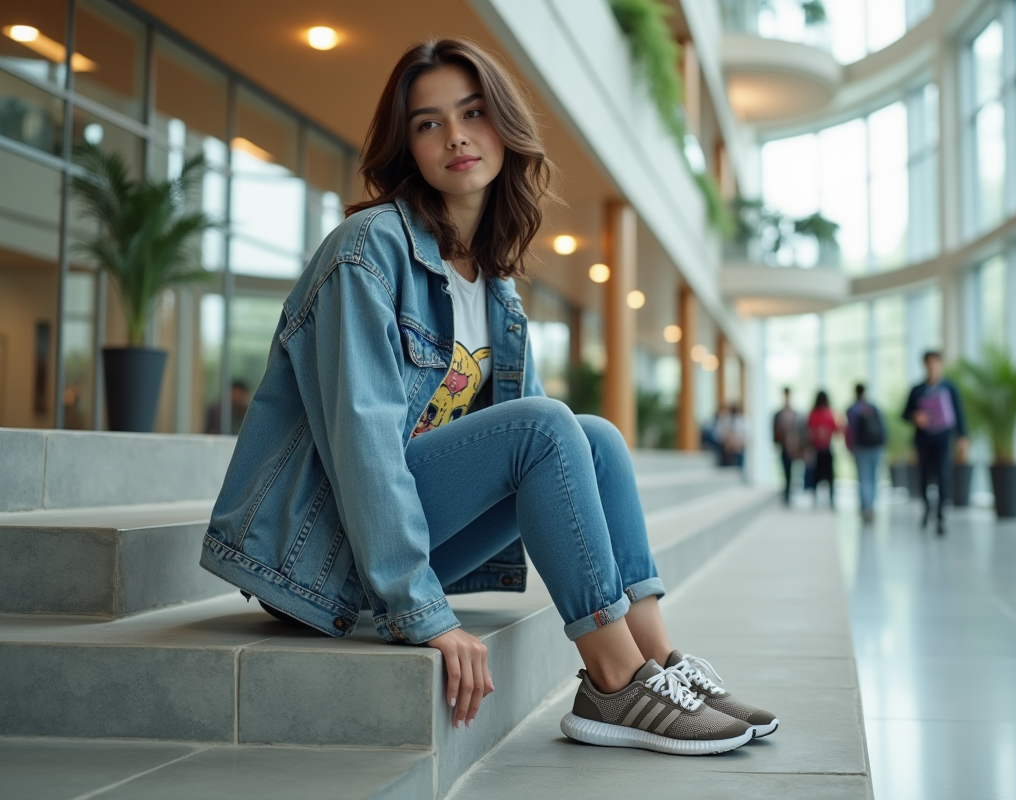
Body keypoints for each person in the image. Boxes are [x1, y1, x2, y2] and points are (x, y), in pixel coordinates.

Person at [199, 39, 774, 756]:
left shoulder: (495, 289)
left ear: (503, 124)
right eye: (429, 123)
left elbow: (555, 454)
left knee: (593, 436)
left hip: (402, 536)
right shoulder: (366, 252)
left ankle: (660, 661)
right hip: (325, 555)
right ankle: (615, 677)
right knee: (544, 426)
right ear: (407, 146)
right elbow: (363, 449)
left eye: (473, 113)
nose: (457, 136)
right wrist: (425, 612)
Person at [903, 351, 968, 535]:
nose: (932, 366)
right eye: (928, 363)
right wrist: (915, 416)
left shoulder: (949, 388)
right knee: (924, 477)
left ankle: (940, 517)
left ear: (940, 364)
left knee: (943, 477)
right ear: (924, 365)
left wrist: (962, 436)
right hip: (923, 440)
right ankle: (926, 509)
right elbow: (905, 413)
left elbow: (958, 413)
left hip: (943, 440)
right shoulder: (917, 390)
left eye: (935, 362)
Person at [845, 383, 886, 523]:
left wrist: (849, 446)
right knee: (873, 478)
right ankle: (871, 507)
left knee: (863, 478)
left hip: (860, 448)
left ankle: (865, 508)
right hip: (876, 447)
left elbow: (849, 430)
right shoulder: (873, 407)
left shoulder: (852, 409)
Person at [806, 390, 841, 508]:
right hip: (826, 448)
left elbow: (808, 431)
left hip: (816, 449)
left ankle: (815, 498)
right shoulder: (830, 413)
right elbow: (837, 430)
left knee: (816, 474)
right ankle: (831, 499)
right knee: (829, 475)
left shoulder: (812, 414)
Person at [773, 388, 803, 504]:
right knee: (784, 469)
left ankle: (790, 491)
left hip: (793, 447)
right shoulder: (778, 414)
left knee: (792, 470)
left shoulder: (795, 414)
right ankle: (786, 492)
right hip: (783, 446)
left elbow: (799, 431)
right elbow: (775, 430)